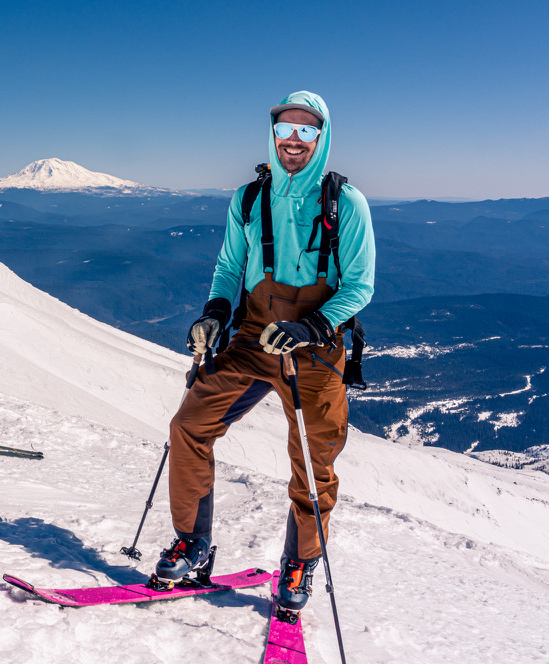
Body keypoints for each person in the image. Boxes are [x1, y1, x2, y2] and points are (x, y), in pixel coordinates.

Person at [154, 92, 375, 612]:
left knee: (313, 461)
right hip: (254, 336)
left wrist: (316, 325)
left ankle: (299, 563)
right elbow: (230, 267)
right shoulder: (249, 198)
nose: (293, 140)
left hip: (316, 350)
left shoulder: (346, 203)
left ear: (321, 138)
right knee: (189, 425)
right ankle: (193, 543)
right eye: (285, 130)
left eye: (306, 131)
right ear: (272, 135)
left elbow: (360, 285)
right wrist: (213, 312)